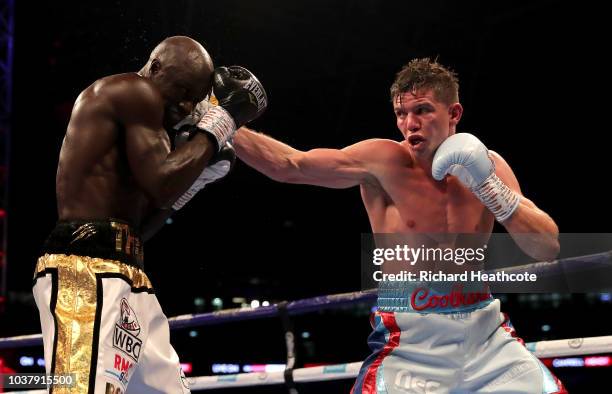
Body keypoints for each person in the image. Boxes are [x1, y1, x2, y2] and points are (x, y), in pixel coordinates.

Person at [232, 58, 566, 393]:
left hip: (485, 335)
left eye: (422, 110)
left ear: (454, 114)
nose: (410, 123)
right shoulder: (383, 162)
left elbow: (547, 246)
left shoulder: (488, 165)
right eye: (401, 113)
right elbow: (291, 164)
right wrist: (222, 122)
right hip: (409, 341)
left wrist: (489, 186)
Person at [32, 36, 267, 393]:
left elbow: (141, 224)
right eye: (183, 89)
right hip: (86, 271)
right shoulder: (133, 91)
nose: (187, 104)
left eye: (196, 97)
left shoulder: (155, 130)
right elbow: (162, 184)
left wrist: (194, 183)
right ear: (156, 67)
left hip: (128, 272)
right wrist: (221, 123)